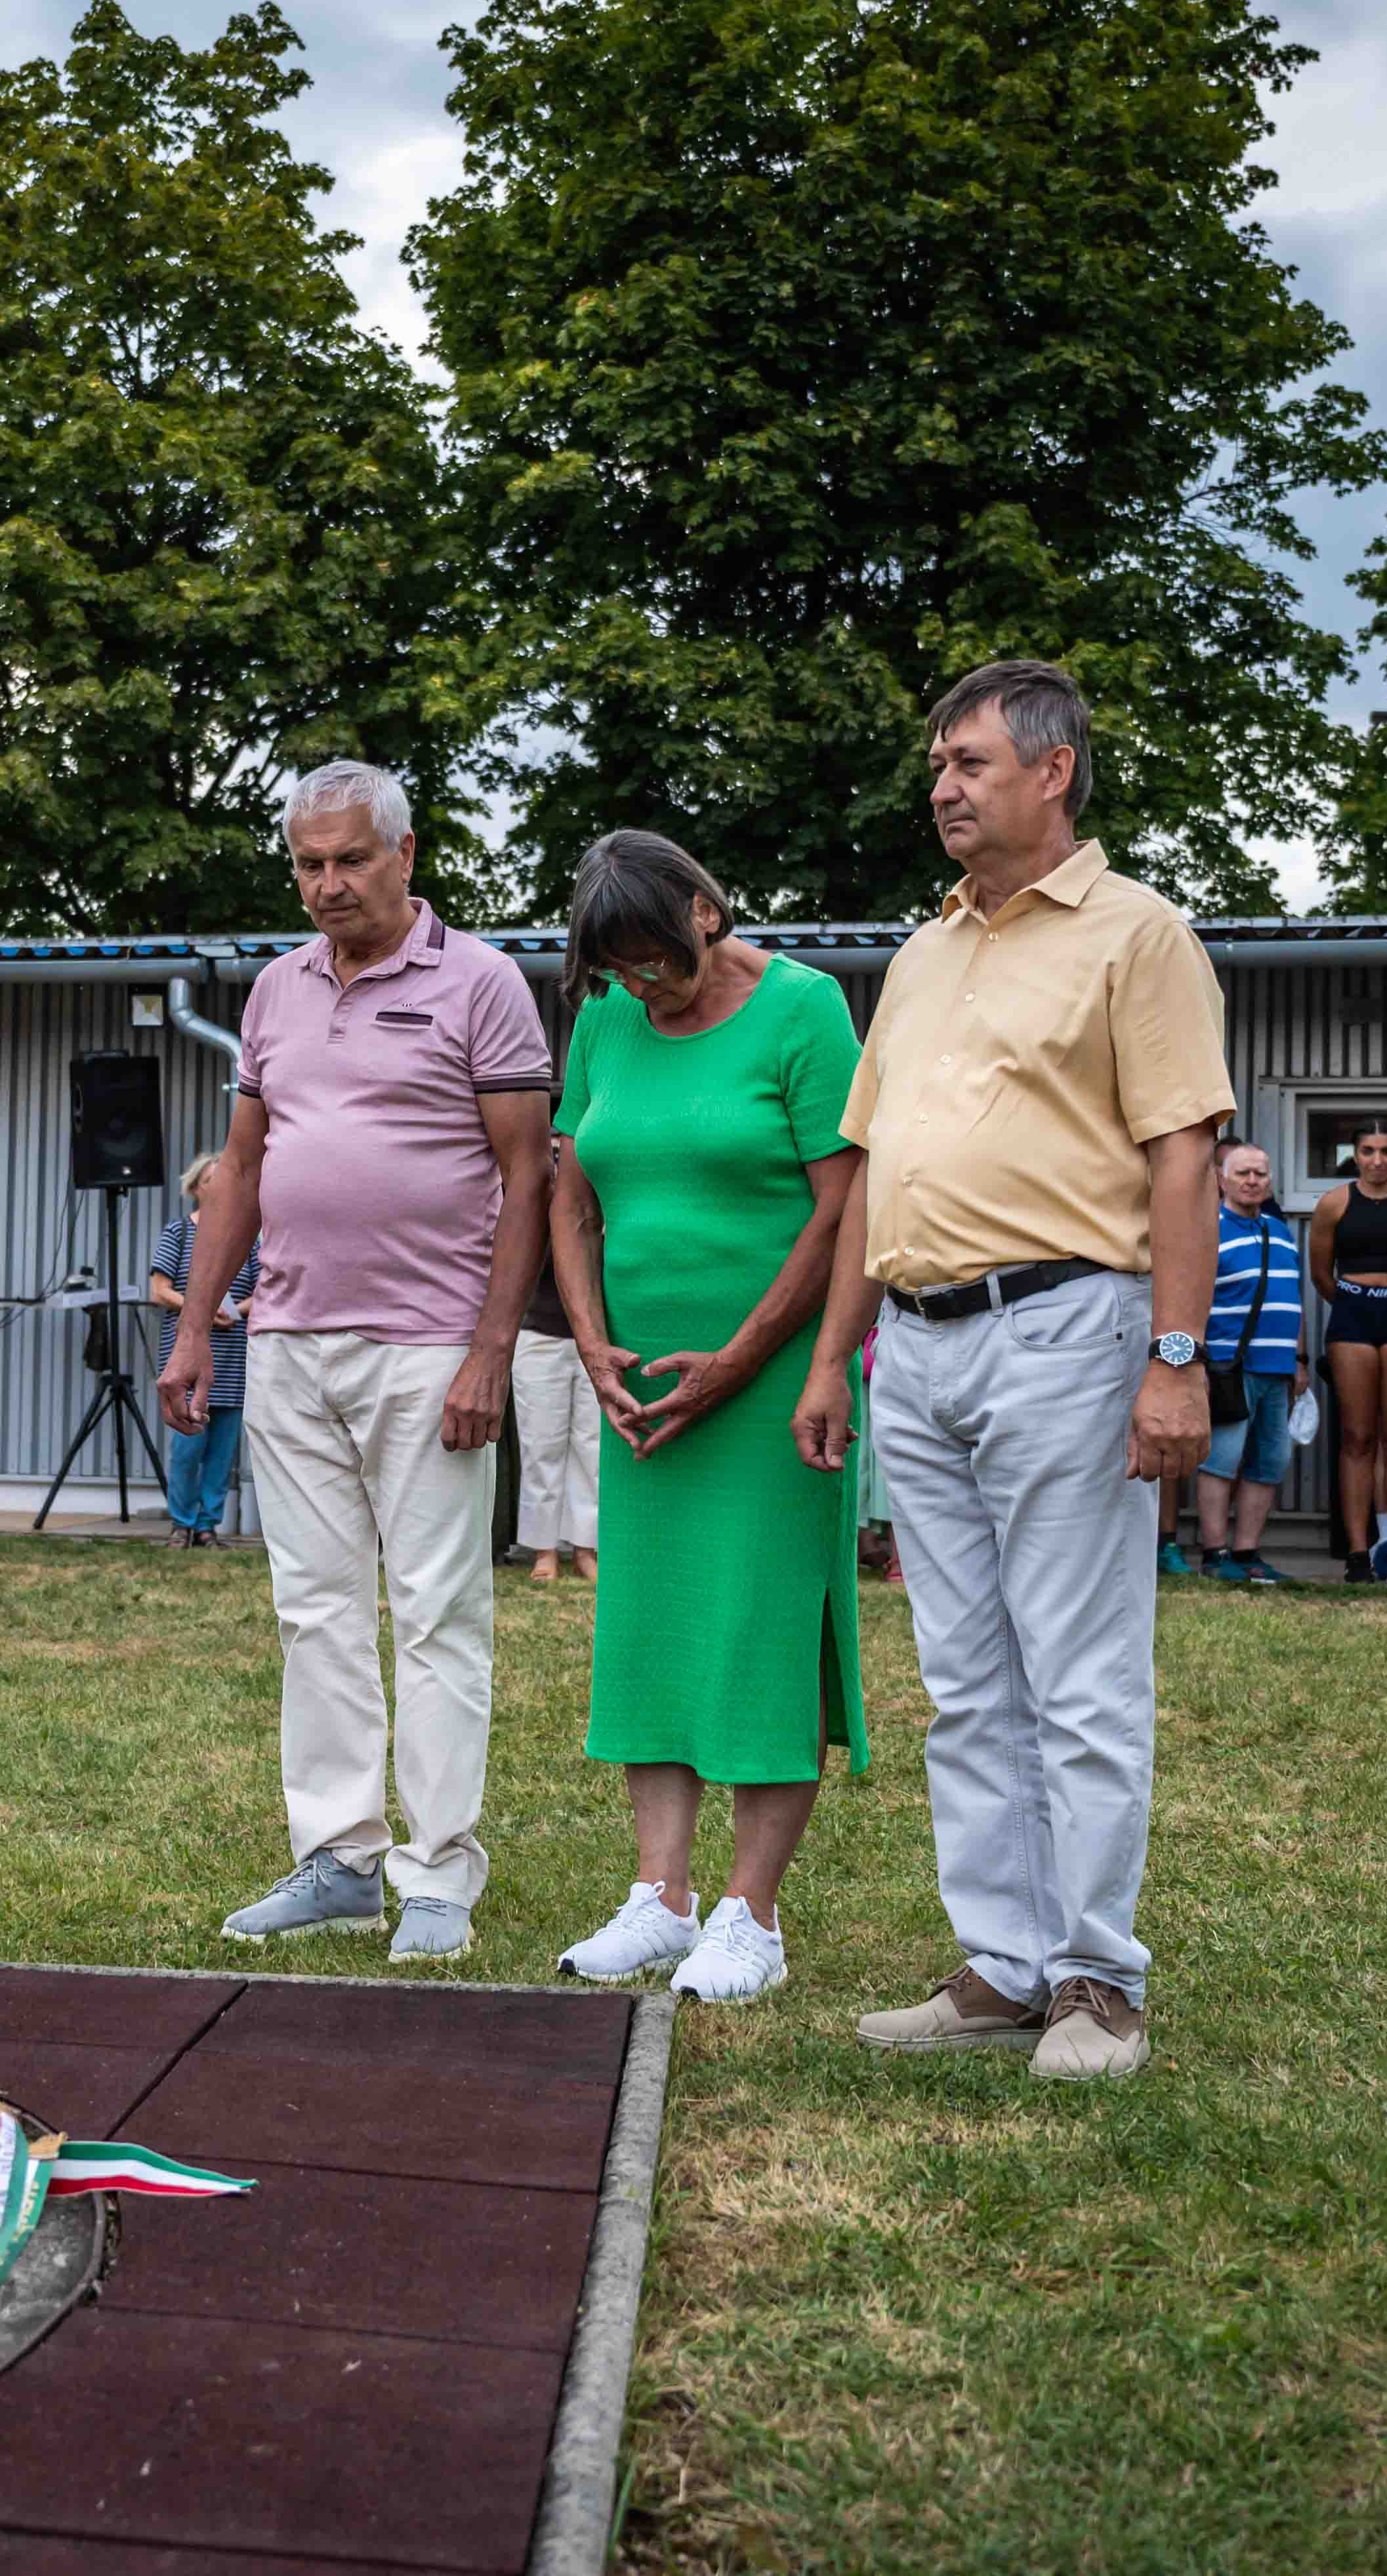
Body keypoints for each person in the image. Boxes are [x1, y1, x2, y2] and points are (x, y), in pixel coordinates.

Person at [793, 658, 1234, 2085]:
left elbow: (1183, 1157)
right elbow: (873, 1171)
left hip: (1065, 1328)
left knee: (1078, 1673)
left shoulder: (1135, 933)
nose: (942, 785)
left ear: (1052, 771)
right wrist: (834, 1355)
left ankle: (1099, 1977)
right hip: (916, 1344)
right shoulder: (923, 953)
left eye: (969, 761)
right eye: (937, 763)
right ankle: (1002, 1962)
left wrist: (1175, 1360)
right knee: (968, 1678)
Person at [159, 761, 552, 1966]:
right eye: (308, 864)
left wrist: (490, 1351)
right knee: (315, 1610)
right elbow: (241, 1167)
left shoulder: (480, 982)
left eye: (350, 859)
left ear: (406, 854)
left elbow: (528, 1176)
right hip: (287, 1341)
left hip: (430, 1347)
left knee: (437, 1612)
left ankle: (437, 1872)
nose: (328, 884)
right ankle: (337, 1860)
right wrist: (196, 1325)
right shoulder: (276, 990)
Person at [542, 831, 865, 2007]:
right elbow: (571, 1198)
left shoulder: (804, 1010)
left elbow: (843, 1209)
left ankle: (751, 1915)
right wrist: (590, 1341)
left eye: (653, 961)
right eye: (616, 969)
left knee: (762, 1630)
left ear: (704, 911)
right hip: (643, 1391)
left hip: (773, 1385)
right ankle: (660, 1896)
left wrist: (745, 1360)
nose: (640, 985)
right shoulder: (605, 1021)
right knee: (653, 1627)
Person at [1311, 1117, 1387, 1582]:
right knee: (1357, 1437)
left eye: (1386, 1151)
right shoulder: (1334, 1202)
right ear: (1355, 1156)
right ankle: (1357, 1554)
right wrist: (1358, 1300)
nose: (1377, 1160)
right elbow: (1322, 1274)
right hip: (1353, 1317)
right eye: (1368, 1151)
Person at [1193, 1140, 1306, 1586]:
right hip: (1229, 1367)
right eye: (1243, 1173)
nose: (1253, 1181)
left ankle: (1248, 1554)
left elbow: (1292, 1300)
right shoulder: (1209, 1229)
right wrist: (1197, 1366)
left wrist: (1299, 1360)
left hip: (1279, 1369)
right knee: (1221, 1461)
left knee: (1269, 1462)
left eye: (1260, 1173)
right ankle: (1215, 1554)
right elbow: (1192, 1302)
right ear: (1222, 1180)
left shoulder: (1280, 1230)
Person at [148, 1152, 261, 1545]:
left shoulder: (246, 1238)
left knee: (222, 1449)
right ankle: (181, 1523)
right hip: (188, 1358)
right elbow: (160, 1290)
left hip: (232, 1358)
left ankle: (207, 1526)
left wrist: (235, 1311)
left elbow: (264, 1290)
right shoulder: (178, 1233)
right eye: (214, 1181)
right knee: (187, 1446)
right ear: (197, 1188)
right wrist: (202, 1310)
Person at [511, 1138, 604, 1585]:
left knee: (592, 1444)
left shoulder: (601, 1203)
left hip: (596, 1337)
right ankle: (544, 1549)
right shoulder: (530, 1208)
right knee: (541, 1443)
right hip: (538, 1335)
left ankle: (586, 1548)